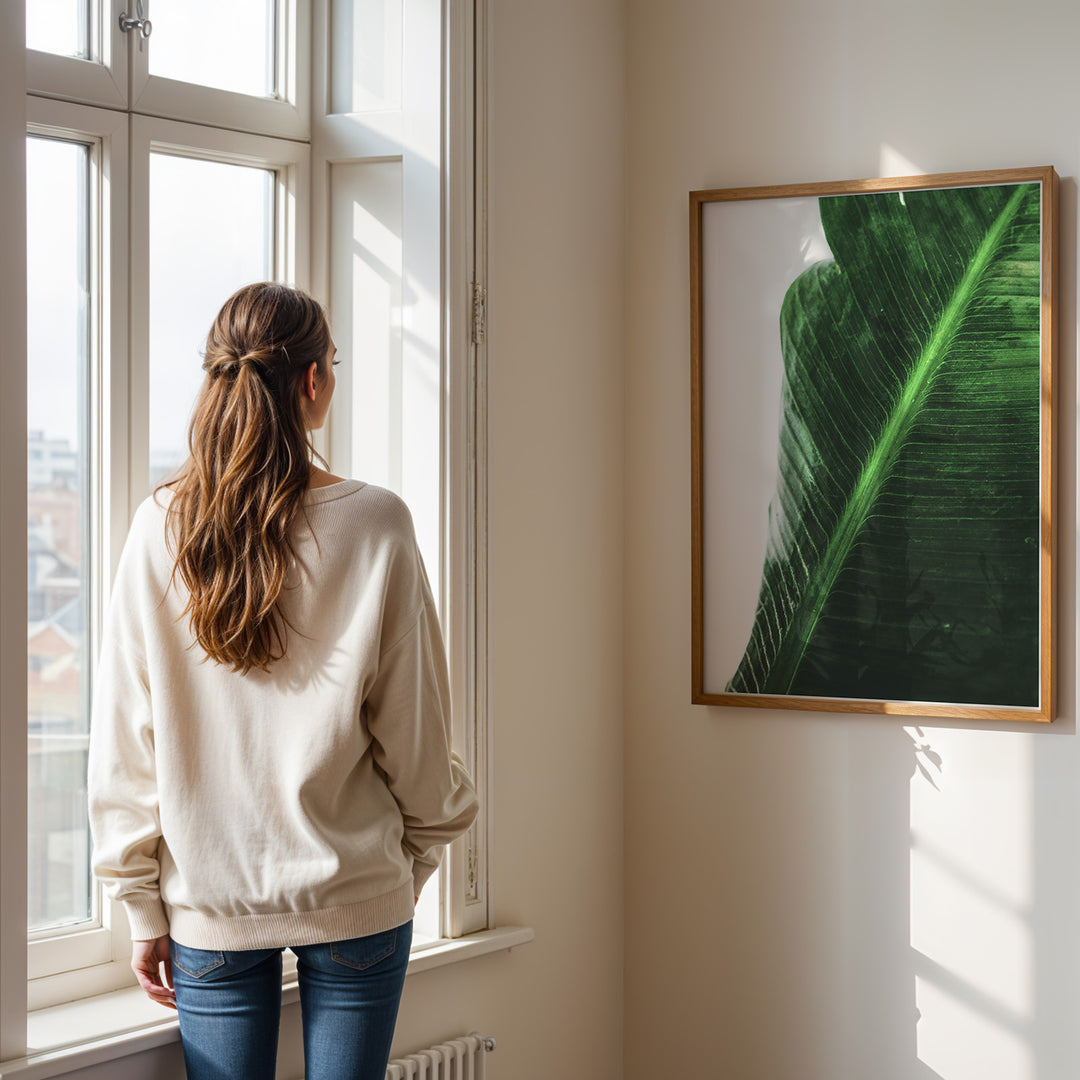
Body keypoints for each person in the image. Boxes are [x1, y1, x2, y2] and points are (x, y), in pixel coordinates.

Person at [87, 282, 479, 1080]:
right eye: (332, 364)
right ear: (311, 382)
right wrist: (422, 854)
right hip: (359, 891)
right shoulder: (375, 523)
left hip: (209, 905)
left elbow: (126, 733)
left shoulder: (159, 525)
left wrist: (140, 905)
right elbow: (416, 725)